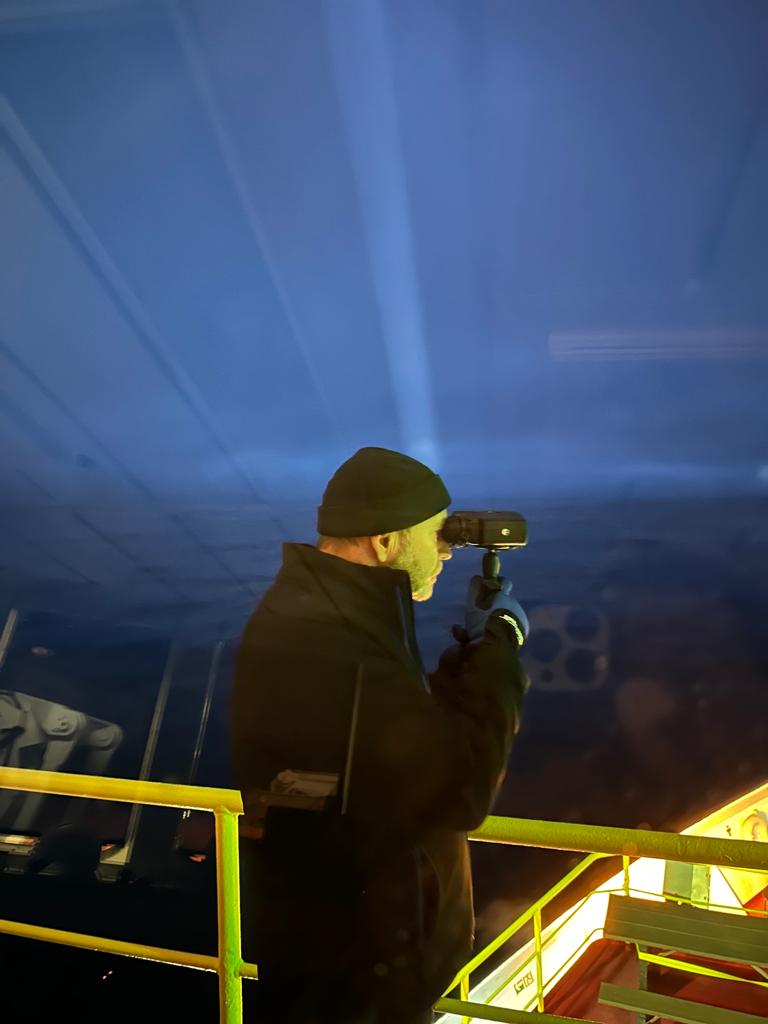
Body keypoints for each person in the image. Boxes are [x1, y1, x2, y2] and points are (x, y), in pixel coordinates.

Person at [231, 447, 529, 1023]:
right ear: (386, 542)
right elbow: (460, 788)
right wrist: (501, 646)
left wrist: (469, 654)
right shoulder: (333, 638)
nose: (446, 550)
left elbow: (398, 739)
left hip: (336, 949)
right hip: (357, 973)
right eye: (437, 534)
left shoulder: (326, 615)